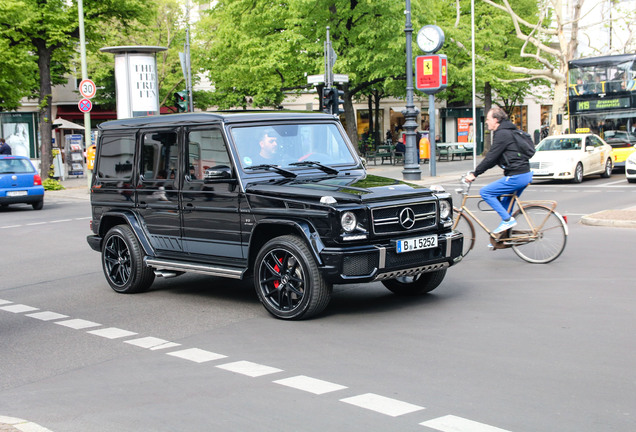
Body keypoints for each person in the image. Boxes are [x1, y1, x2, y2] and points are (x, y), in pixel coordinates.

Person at [465, 107, 533, 235]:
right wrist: (479, 171)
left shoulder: (502, 134)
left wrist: (475, 174)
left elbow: (491, 157)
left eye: (488, 119)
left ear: (496, 120)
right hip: (524, 174)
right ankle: (502, 238)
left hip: (516, 176)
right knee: (505, 205)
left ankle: (507, 220)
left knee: (486, 192)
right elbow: (495, 159)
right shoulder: (509, 131)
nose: (486, 122)